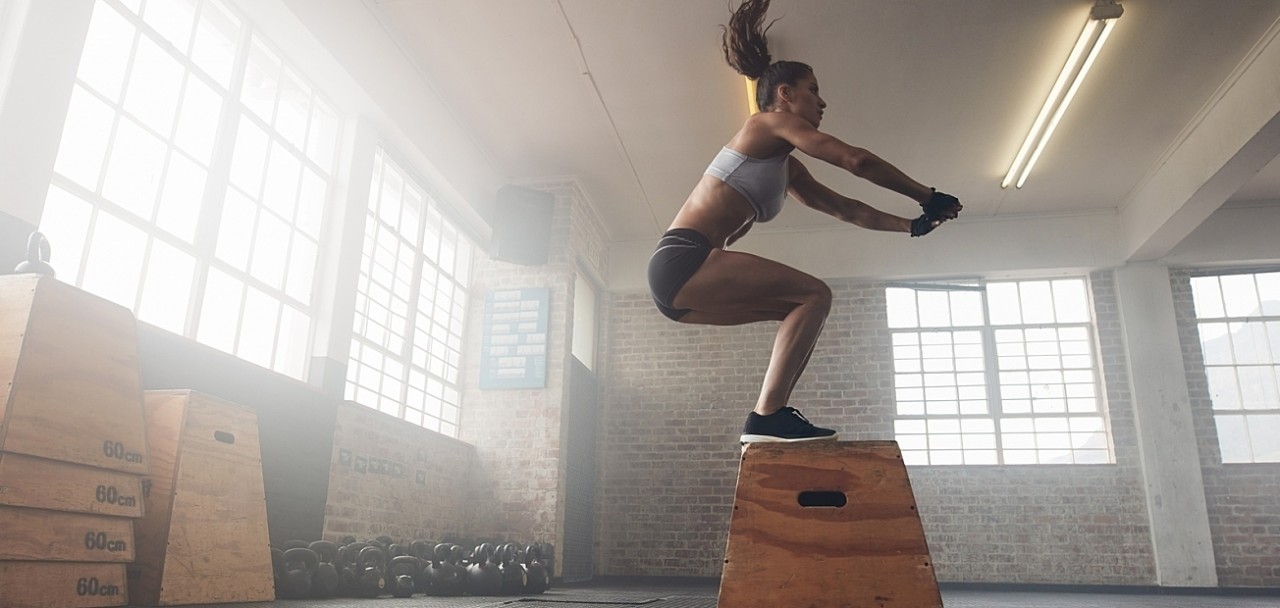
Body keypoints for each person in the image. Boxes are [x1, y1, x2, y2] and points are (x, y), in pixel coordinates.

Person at [647, 0, 962, 445]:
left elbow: (847, 209)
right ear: (784, 95)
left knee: (803, 307)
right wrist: (928, 196)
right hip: (683, 259)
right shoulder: (764, 126)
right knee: (815, 293)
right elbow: (856, 160)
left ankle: (771, 418)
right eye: (813, 89)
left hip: (681, 291)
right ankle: (767, 416)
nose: (823, 100)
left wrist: (911, 225)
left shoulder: (785, 167)